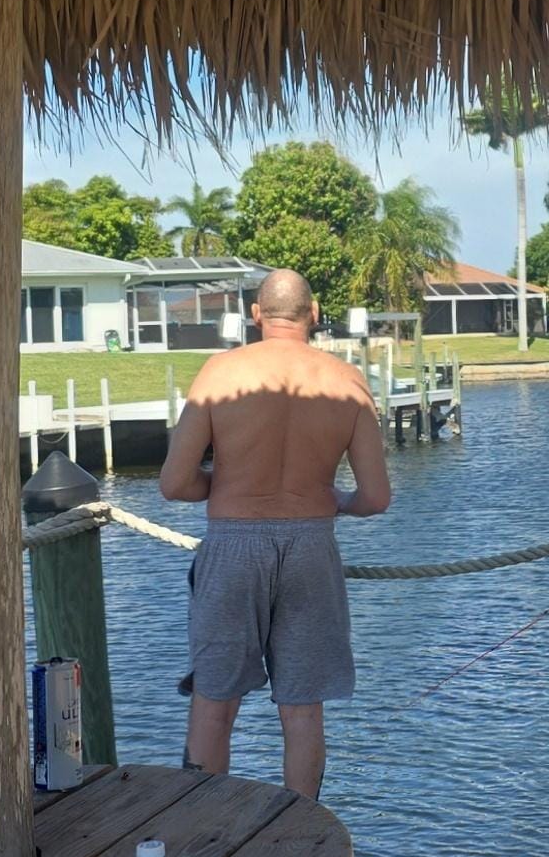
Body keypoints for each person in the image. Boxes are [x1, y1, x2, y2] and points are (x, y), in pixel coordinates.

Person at [158, 268, 391, 797]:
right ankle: (300, 837)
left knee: (214, 701)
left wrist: (223, 486)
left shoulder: (221, 375)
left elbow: (173, 484)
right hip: (312, 543)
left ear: (256, 315)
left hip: (233, 542)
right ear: (313, 314)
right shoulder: (347, 381)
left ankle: (203, 824)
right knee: (302, 707)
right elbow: (376, 498)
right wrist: (338, 501)